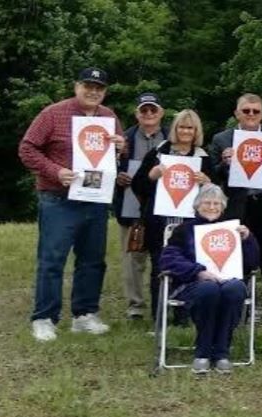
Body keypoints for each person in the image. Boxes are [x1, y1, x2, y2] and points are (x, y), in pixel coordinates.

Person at [19, 67, 127, 341]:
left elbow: (116, 153)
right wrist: (55, 171)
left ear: (105, 91)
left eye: (99, 88)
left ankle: (84, 314)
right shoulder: (53, 113)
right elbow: (27, 148)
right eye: (88, 85)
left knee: (92, 260)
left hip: (94, 199)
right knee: (52, 259)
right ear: (76, 86)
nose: (93, 91)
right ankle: (44, 317)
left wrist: (119, 145)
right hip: (58, 199)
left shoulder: (108, 116)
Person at [159, 184, 259, 374]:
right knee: (208, 289)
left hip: (229, 280)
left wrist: (248, 240)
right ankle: (203, 352)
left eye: (216, 203)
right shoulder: (183, 230)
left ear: (223, 207)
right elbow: (168, 259)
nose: (212, 207)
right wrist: (198, 271)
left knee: (235, 289)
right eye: (207, 203)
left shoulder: (234, 230)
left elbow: (253, 263)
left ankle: (222, 352)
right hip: (193, 283)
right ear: (197, 206)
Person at [207, 93, 262, 326]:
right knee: (236, 260)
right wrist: (224, 163)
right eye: (246, 111)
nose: (251, 115)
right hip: (238, 207)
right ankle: (237, 313)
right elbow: (212, 175)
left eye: (256, 111)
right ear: (236, 113)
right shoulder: (222, 139)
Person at [132, 109, 217, 321]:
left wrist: (207, 181)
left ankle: (182, 316)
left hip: (189, 221)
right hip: (159, 220)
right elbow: (137, 185)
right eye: (181, 126)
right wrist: (152, 176)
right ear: (175, 129)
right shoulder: (158, 154)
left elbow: (216, 194)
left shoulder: (203, 158)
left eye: (190, 127)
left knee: (188, 264)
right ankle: (158, 315)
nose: (185, 131)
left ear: (196, 130)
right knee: (159, 265)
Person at [114, 92, 167, 319]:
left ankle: (164, 301)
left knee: (162, 255)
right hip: (130, 204)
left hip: (163, 205)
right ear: (136, 113)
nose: (148, 114)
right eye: (143, 110)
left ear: (161, 113)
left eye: (152, 110)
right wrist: (118, 175)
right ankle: (135, 305)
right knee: (133, 257)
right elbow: (103, 166)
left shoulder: (171, 138)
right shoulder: (122, 139)